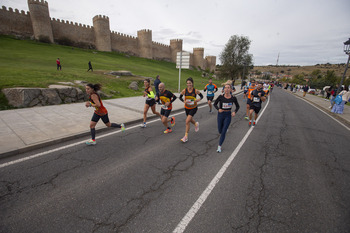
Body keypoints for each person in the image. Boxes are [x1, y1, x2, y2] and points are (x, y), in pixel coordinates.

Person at [214, 83, 240, 153]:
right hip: (221, 114)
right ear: (223, 89)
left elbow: (237, 106)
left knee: (223, 132)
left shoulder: (233, 97)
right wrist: (218, 109)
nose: (227, 89)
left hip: (228, 115)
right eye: (225, 88)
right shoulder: (220, 97)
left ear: (231, 89)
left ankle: (219, 146)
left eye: (228, 88)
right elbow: (215, 104)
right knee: (220, 130)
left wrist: (234, 112)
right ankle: (224, 130)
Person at [179, 77, 203, 142]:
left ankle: (185, 136)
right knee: (189, 119)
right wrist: (184, 101)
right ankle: (196, 124)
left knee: (187, 121)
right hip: (187, 108)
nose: (188, 84)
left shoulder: (195, 90)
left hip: (193, 108)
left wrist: (198, 99)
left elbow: (202, 96)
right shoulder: (184, 90)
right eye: (187, 83)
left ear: (192, 83)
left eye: (190, 83)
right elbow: (180, 97)